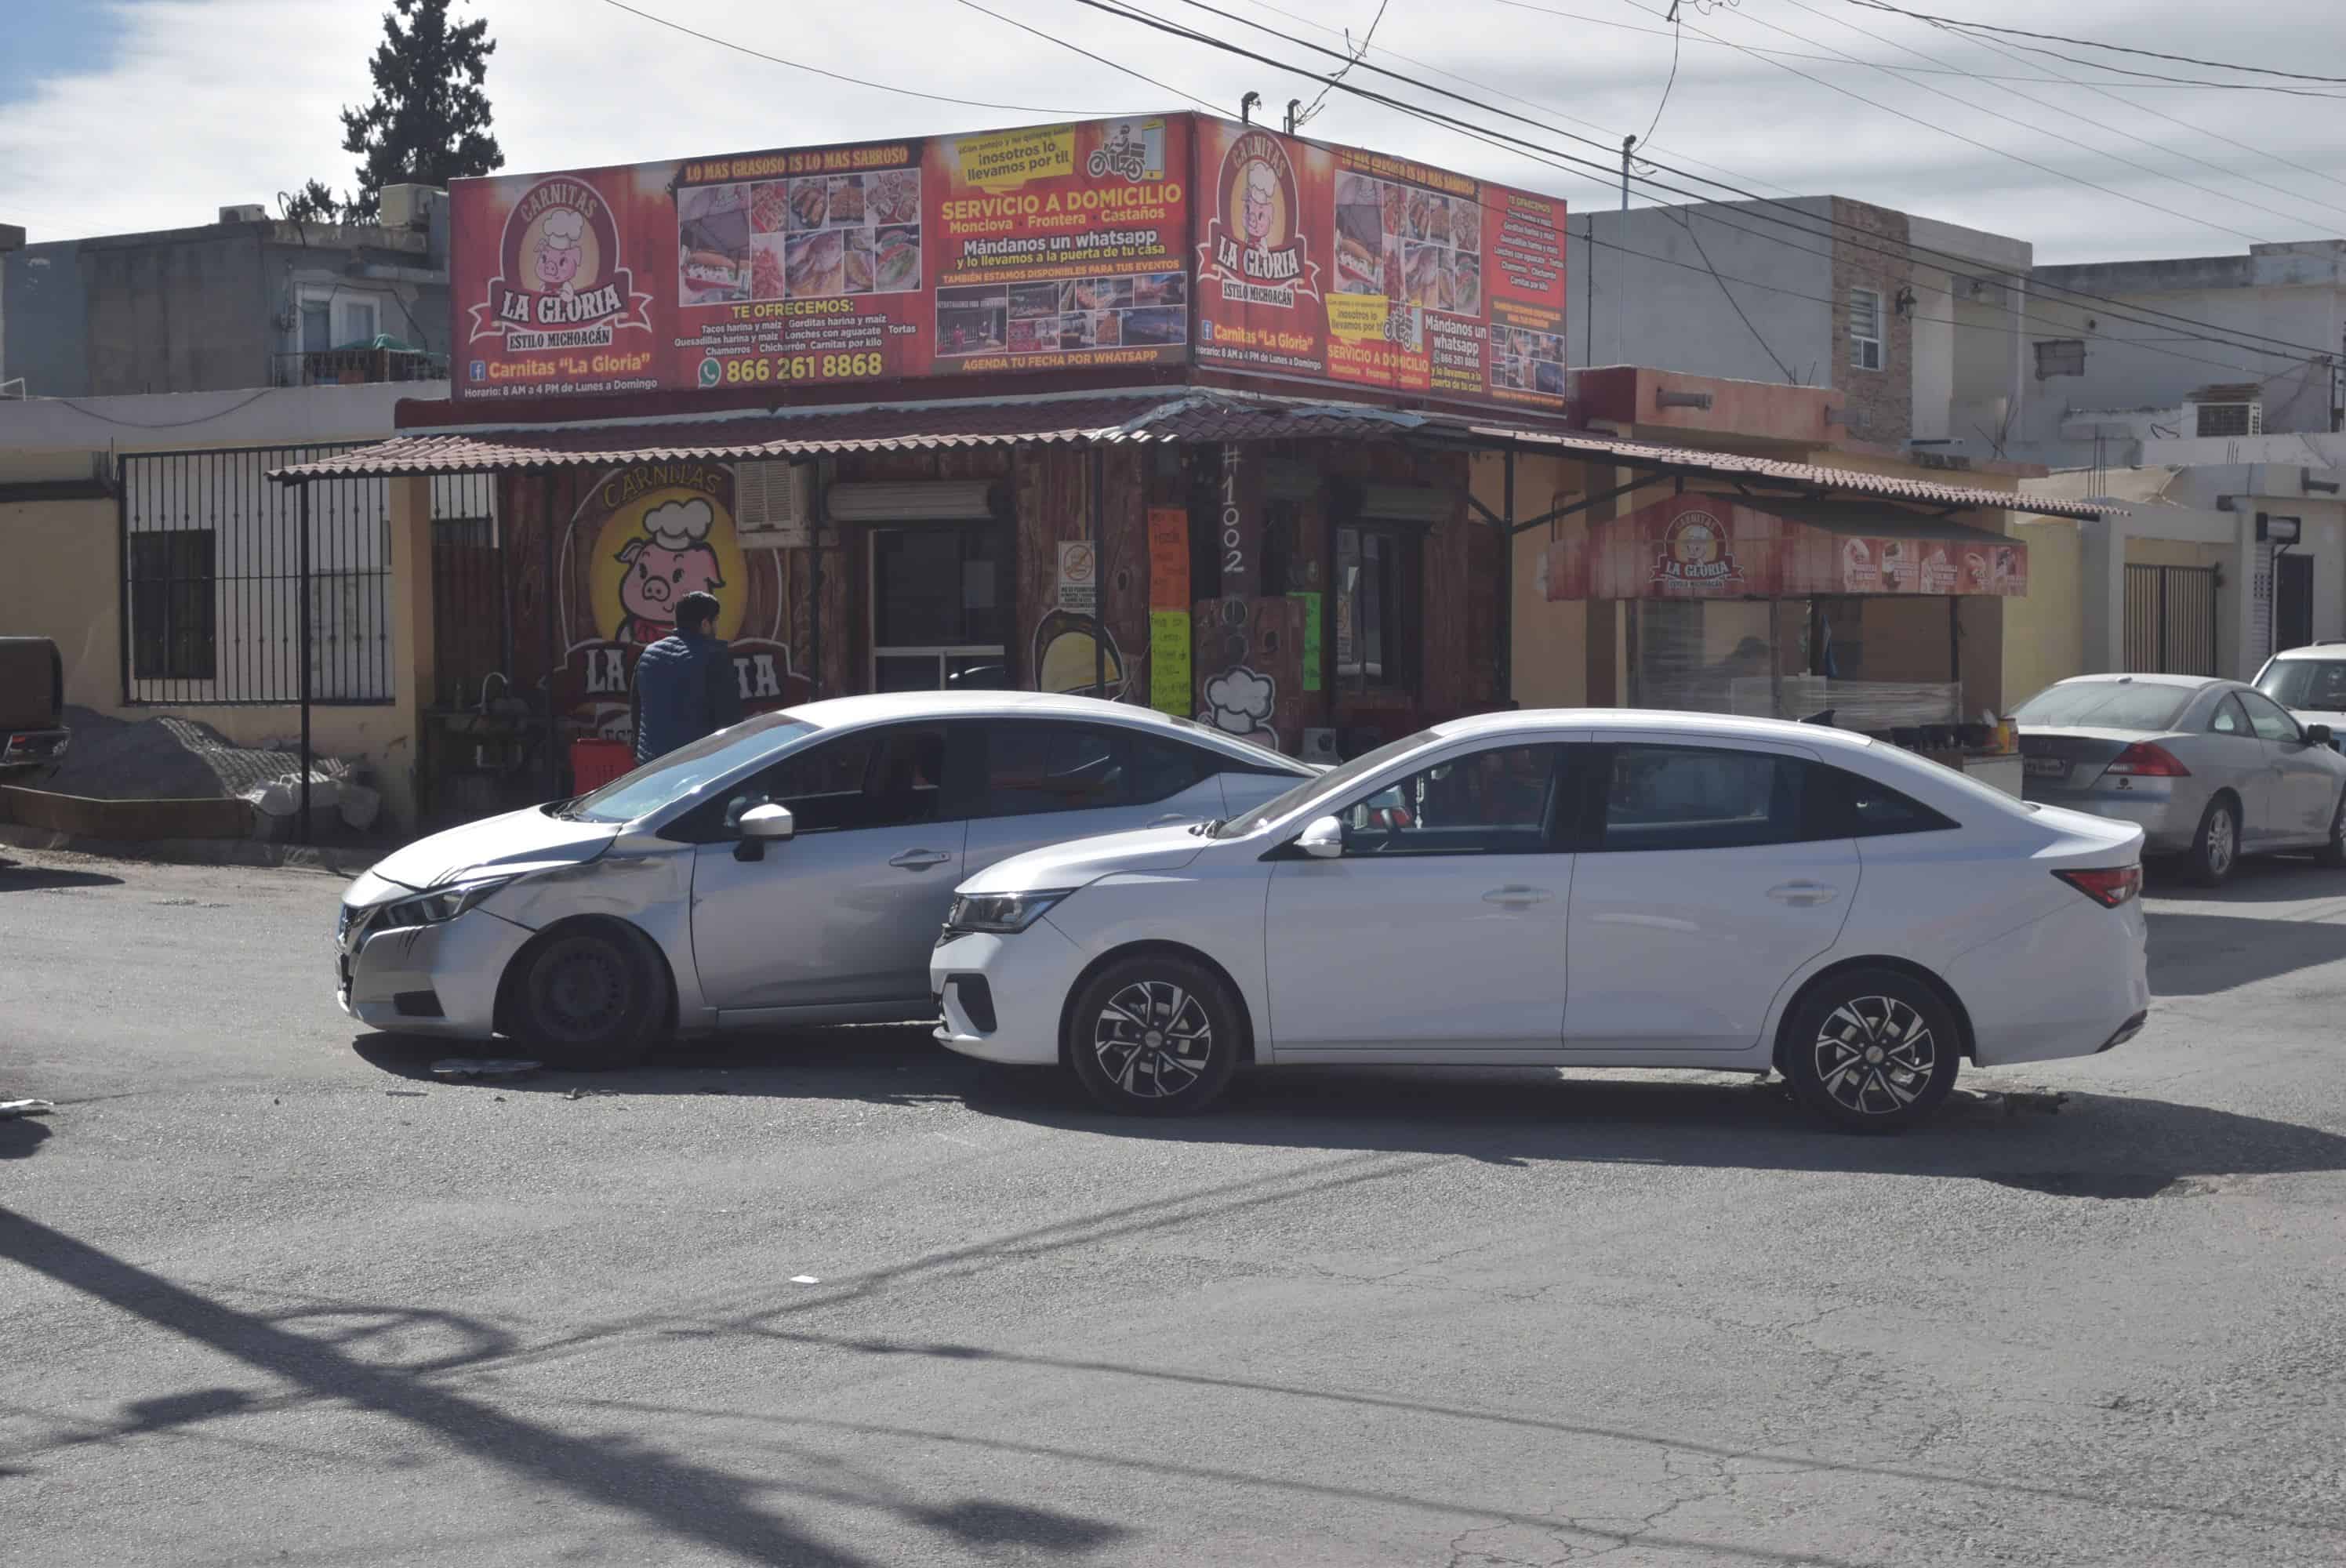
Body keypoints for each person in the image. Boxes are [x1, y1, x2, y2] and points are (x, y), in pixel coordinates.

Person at [628, 591, 741, 764]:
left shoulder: (649, 654)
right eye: (716, 621)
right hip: (695, 768)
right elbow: (729, 720)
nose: (717, 628)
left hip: (650, 767)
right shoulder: (714, 658)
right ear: (705, 624)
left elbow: (637, 712)